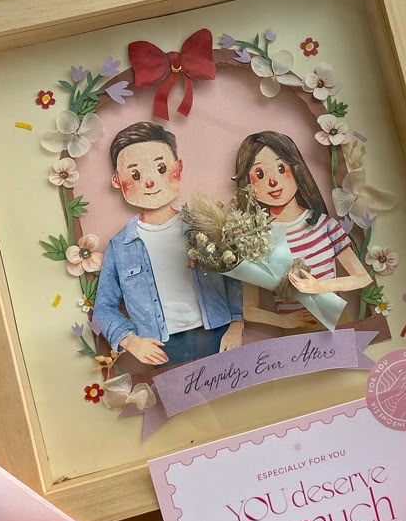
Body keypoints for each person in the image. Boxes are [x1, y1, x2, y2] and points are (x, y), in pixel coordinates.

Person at [94, 121, 244, 366]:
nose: (150, 182)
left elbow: (234, 275)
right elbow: (102, 310)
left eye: (161, 168)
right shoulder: (120, 247)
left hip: (219, 335)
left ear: (179, 167)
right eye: (135, 174)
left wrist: (237, 325)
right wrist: (131, 341)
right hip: (161, 349)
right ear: (117, 180)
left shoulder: (203, 225)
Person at [233, 130, 371, 329]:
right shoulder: (255, 240)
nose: (273, 182)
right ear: (247, 182)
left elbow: (363, 277)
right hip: (294, 338)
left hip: (336, 324)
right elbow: (249, 309)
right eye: (260, 174)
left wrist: (319, 287)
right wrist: (283, 321)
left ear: (297, 169)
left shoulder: (325, 225)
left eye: (281, 168)